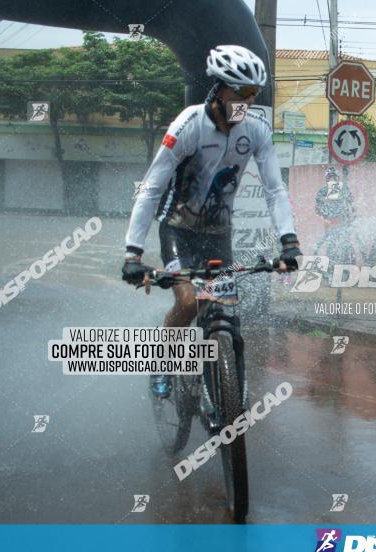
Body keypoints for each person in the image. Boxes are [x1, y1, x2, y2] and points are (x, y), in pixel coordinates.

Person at [121, 45, 302, 397]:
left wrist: (289, 241)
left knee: (225, 309)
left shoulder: (257, 131)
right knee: (189, 301)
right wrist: (133, 254)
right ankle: (164, 363)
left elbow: (275, 191)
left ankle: (228, 384)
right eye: (241, 92)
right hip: (178, 229)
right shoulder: (188, 125)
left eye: (253, 94)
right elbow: (151, 189)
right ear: (218, 88)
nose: (247, 102)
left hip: (219, 234)